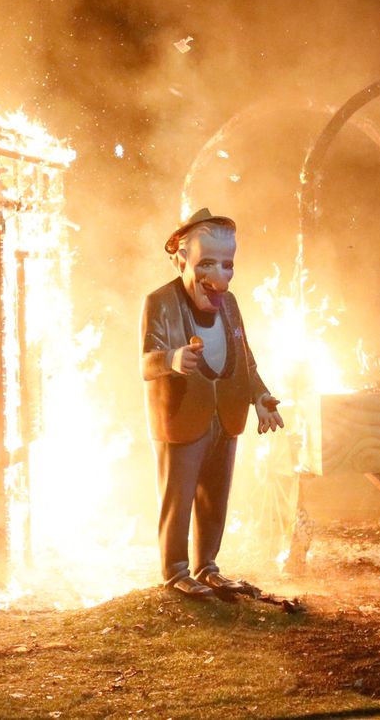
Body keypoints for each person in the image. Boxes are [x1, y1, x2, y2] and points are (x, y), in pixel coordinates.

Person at [142, 208, 283, 599]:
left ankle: (207, 566)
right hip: (182, 417)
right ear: (180, 260)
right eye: (206, 264)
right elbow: (146, 362)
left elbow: (245, 359)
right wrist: (171, 359)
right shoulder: (160, 302)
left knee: (215, 498)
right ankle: (175, 570)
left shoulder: (230, 304)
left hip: (226, 417)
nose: (219, 275)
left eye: (227, 265)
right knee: (179, 496)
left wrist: (261, 397)